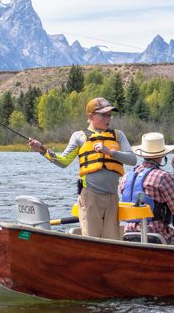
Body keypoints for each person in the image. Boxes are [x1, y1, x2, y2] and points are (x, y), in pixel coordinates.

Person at [28, 96, 136, 240]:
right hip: (90, 197)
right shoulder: (79, 136)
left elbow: (132, 160)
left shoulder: (118, 135)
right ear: (90, 116)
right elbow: (64, 161)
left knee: (112, 242)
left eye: (109, 115)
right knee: (91, 241)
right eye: (103, 115)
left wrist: (109, 152)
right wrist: (42, 150)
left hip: (112, 198)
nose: (108, 118)